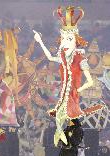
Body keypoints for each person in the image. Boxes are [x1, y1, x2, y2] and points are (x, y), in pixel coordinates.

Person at [33, 6, 104, 146]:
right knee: (59, 119)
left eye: (69, 38)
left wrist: (78, 90)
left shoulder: (80, 59)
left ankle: (72, 142)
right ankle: (63, 139)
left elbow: (90, 81)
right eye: (64, 38)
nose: (65, 42)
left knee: (72, 121)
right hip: (63, 95)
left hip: (73, 97)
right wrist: (40, 41)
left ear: (75, 40)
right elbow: (49, 57)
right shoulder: (62, 58)